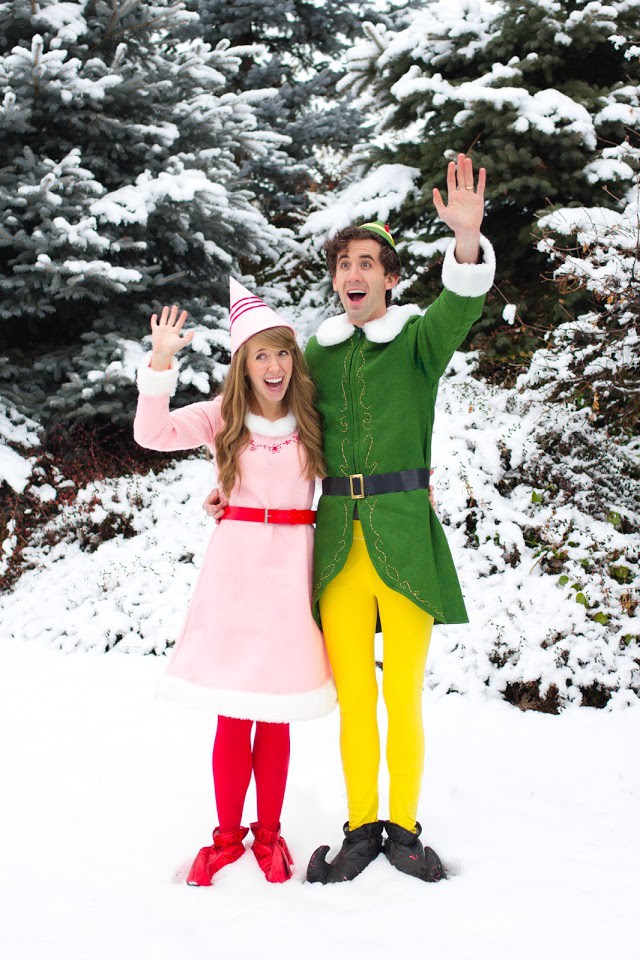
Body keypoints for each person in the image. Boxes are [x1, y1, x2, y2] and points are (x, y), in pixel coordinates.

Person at [205, 153, 495, 884]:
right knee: (354, 702)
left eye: (368, 264)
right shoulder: (315, 361)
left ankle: (404, 829)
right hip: (333, 544)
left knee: (402, 696)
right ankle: (361, 826)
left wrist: (465, 242)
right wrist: (230, 487)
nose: (354, 275)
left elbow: (460, 308)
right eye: (344, 266)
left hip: (401, 534)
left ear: (391, 278)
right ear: (334, 280)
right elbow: (268, 420)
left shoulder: (419, 343)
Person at [133, 278, 335, 886]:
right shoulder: (223, 416)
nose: (273, 366)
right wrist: (162, 363)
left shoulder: (312, 417)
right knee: (232, 714)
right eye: (259, 354)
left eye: (281, 353)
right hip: (236, 574)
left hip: (292, 576)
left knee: (274, 714)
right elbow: (152, 434)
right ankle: (225, 837)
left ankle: (268, 836)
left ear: (293, 360)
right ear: (243, 365)